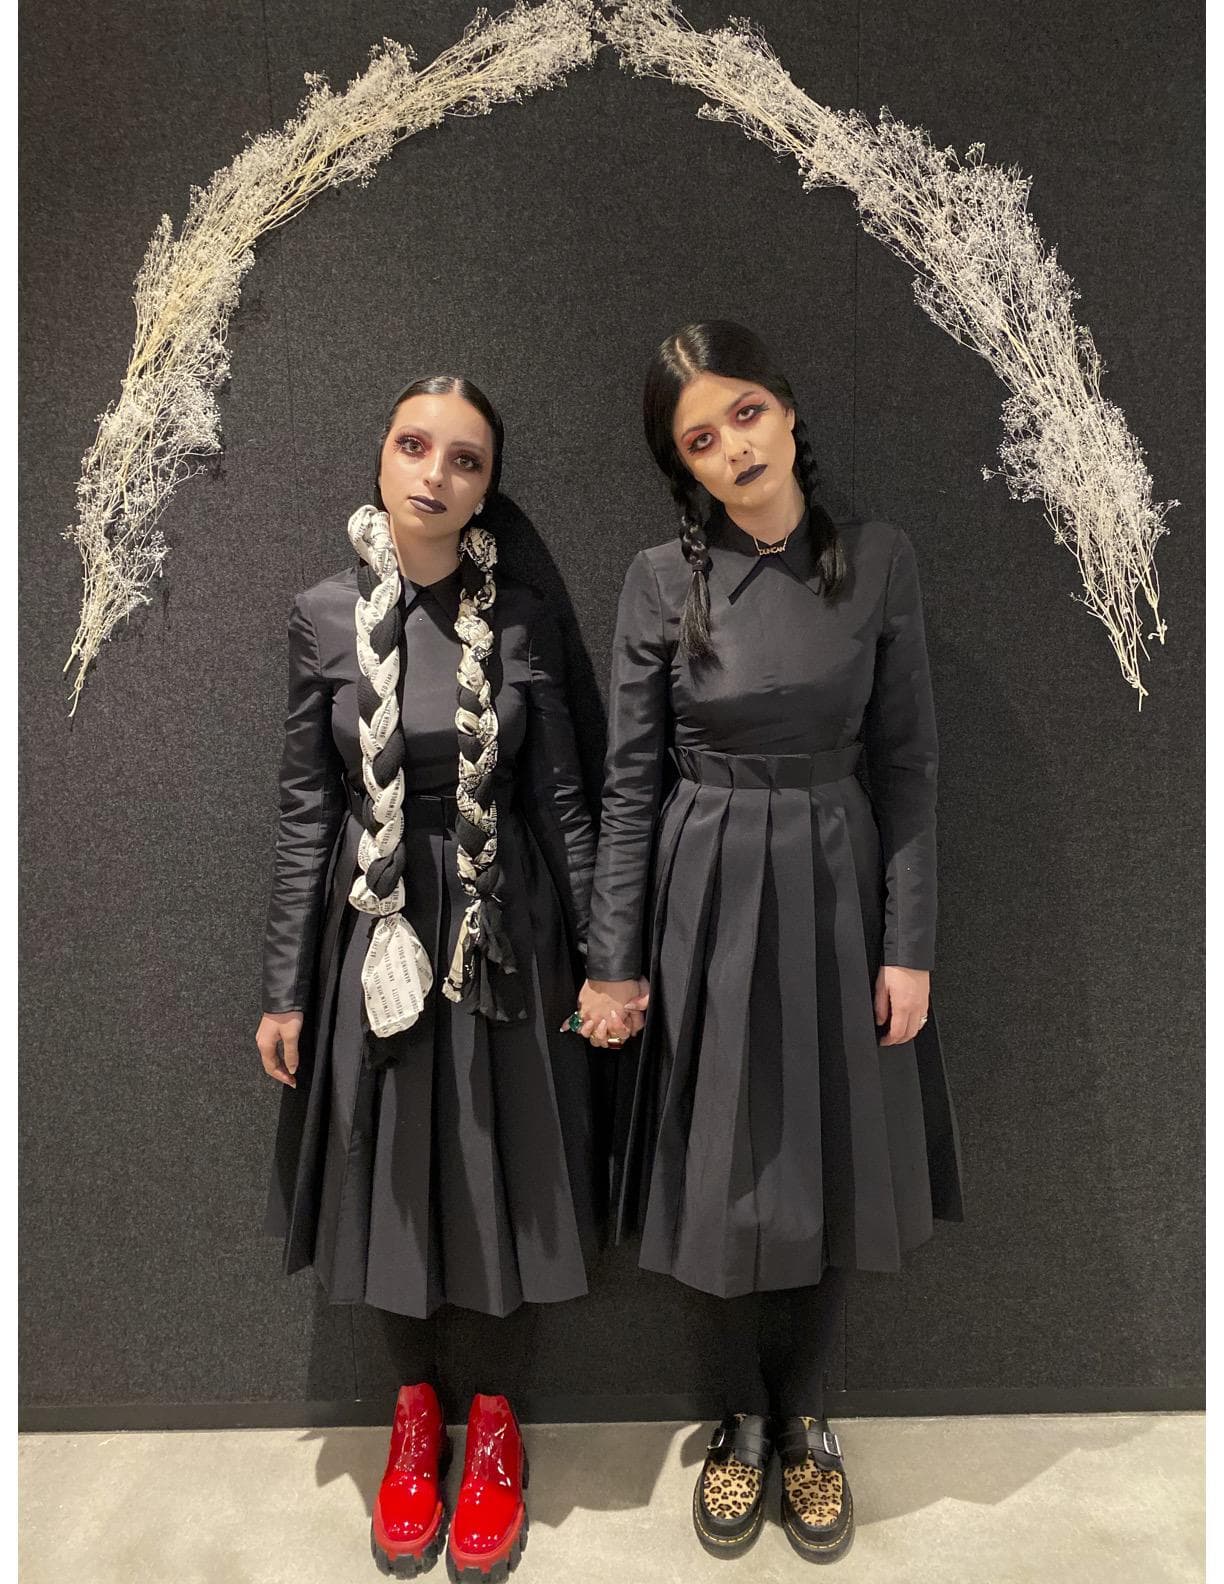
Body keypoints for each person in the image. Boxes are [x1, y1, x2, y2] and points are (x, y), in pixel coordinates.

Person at [568, 321, 964, 1564]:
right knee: (714, 1158)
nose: (734, 448)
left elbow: (909, 765)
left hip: (840, 880)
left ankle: (806, 1415)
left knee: (831, 1152)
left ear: (787, 410)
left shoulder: (880, 561)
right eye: (700, 439)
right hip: (704, 888)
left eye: (745, 414)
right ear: (682, 467)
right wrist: (614, 960)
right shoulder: (656, 582)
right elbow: (628, 784)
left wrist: (909, 944)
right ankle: (738, 1415)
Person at [256, 375, 599, 1580]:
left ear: (486, 488)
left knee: (500, 1161)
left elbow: (564, 800)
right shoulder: (320, 616)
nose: (435, 474)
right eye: (414, 446)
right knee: (392, 1166)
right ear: (382, 457)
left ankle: (494, 1425)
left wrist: (609, 960)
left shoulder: (526, 620)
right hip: (377, 926)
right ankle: (415, 1417)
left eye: (464, 459)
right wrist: (285, 985)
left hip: (501, 926)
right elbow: (305, 812)